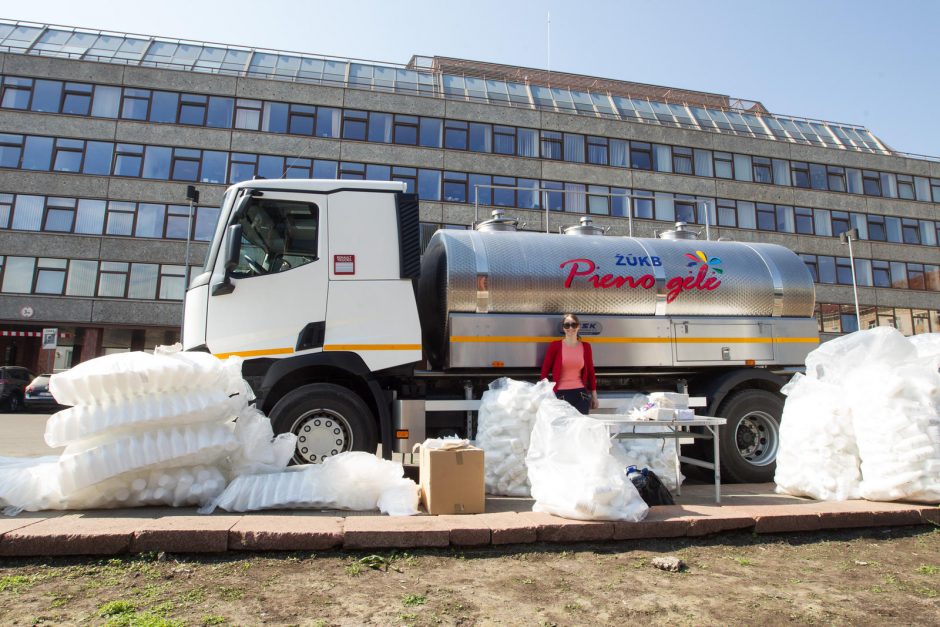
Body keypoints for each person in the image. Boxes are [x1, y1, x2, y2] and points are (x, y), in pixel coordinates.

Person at [540, 313, 598, 414]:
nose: (570, 328)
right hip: (560, 395)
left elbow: (591, 373)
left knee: (581, 428)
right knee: (562, 428)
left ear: (578, 326)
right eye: (567, 325)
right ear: (563, 328)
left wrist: (594, 396)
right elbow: (545, 371)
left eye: (573, 325)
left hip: (581, 394)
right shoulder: (555, 346)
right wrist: (545, 394)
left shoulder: (586, 347)